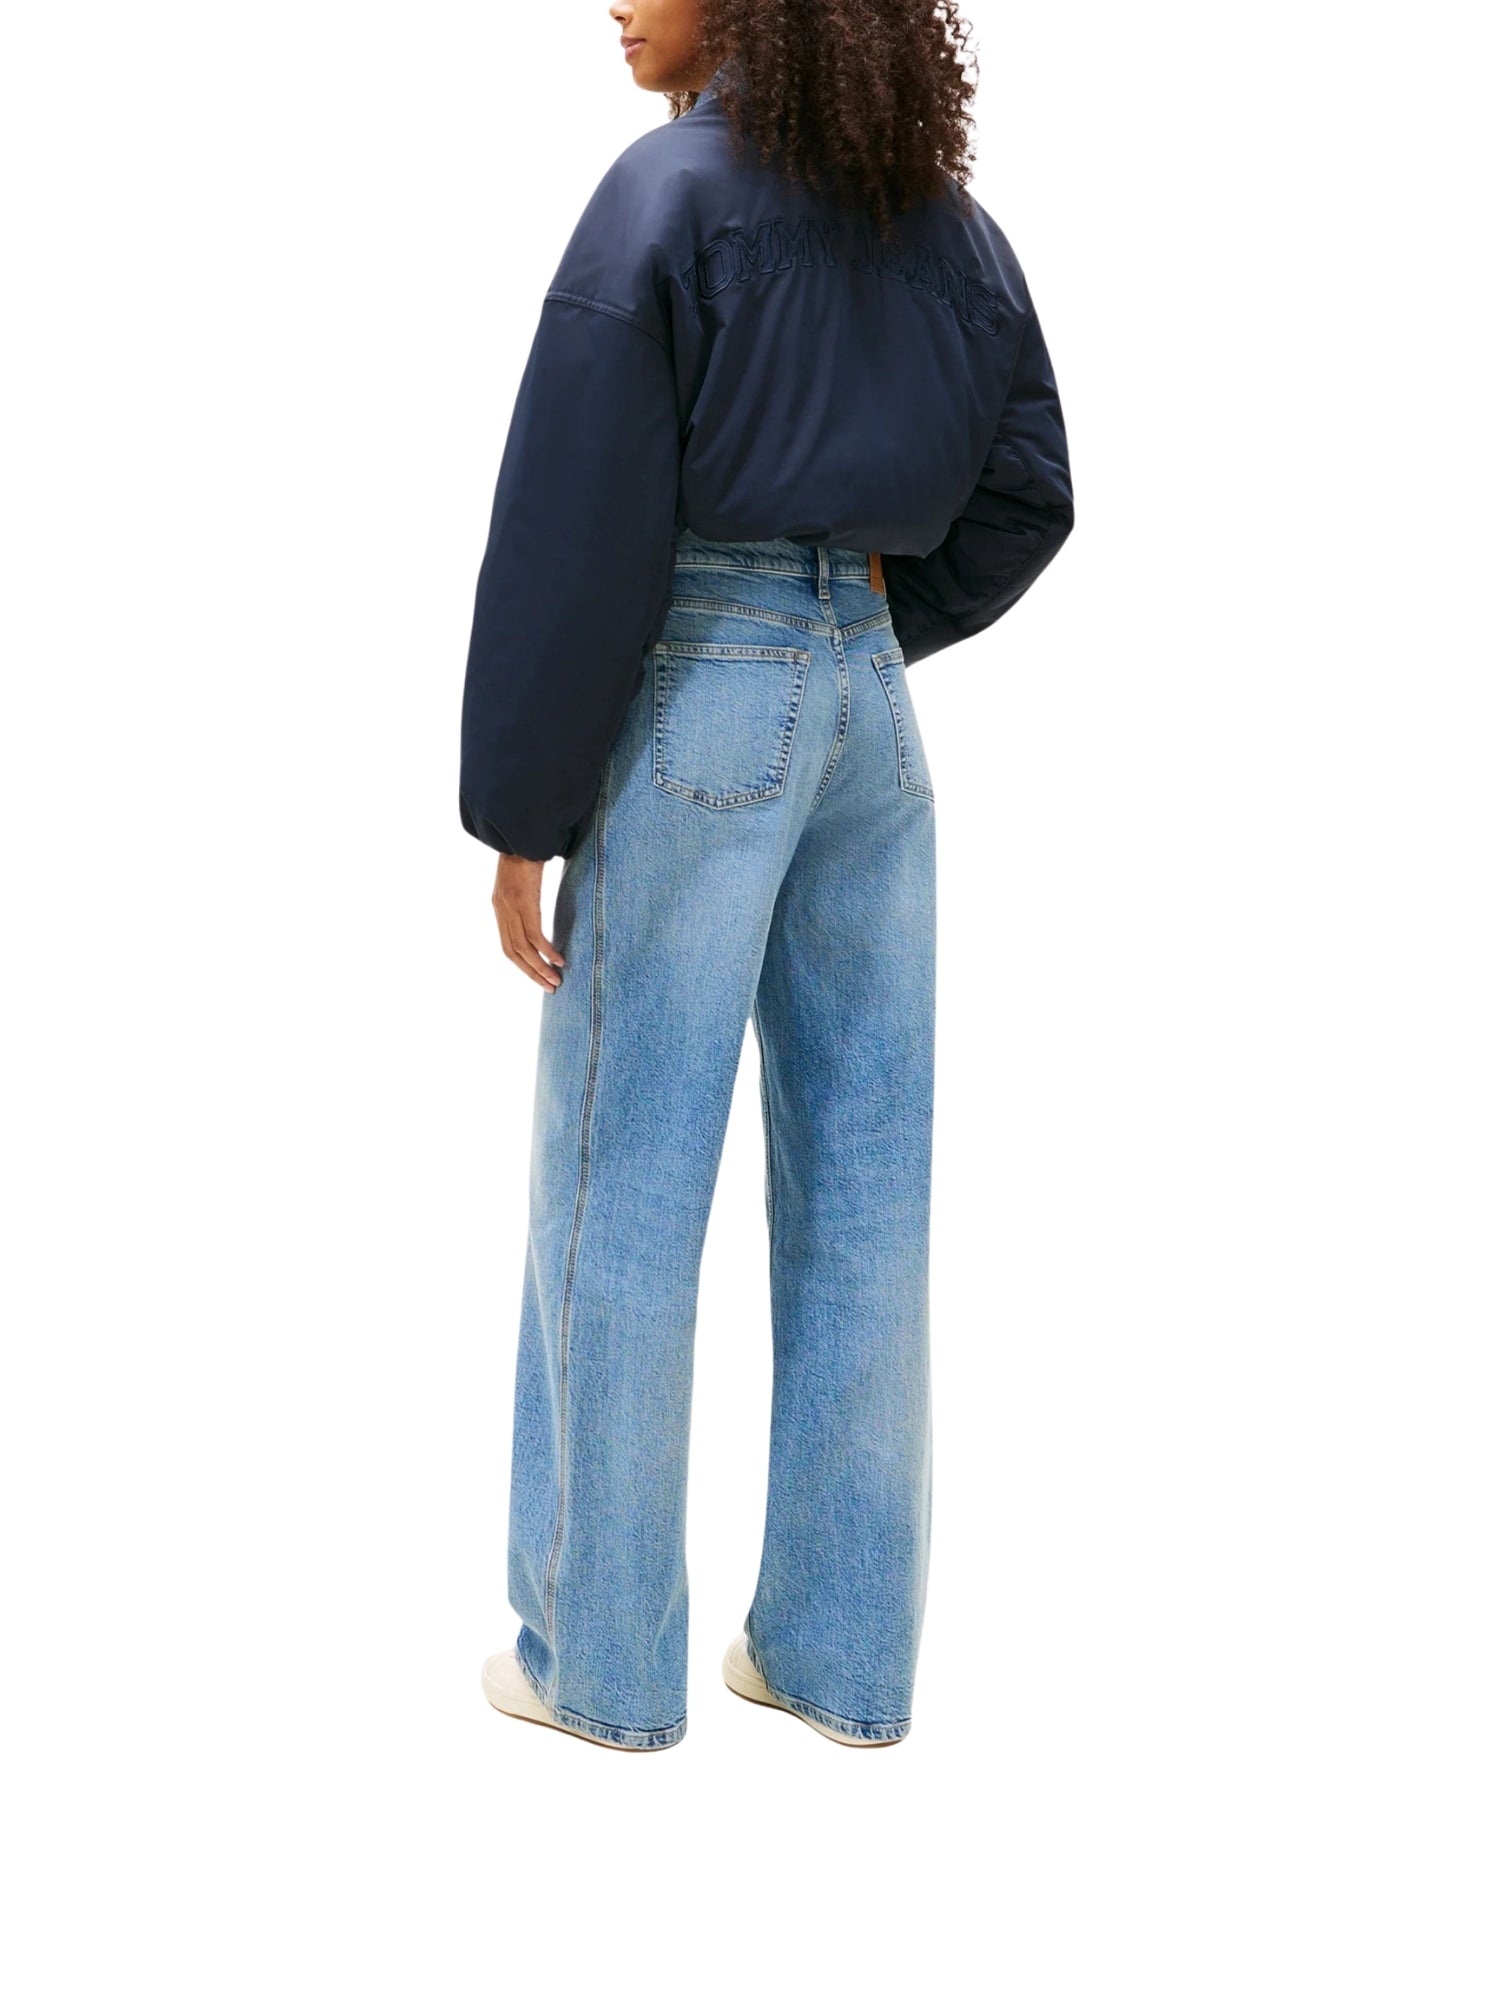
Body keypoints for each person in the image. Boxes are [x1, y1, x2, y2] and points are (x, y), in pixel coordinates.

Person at [459, 0, 1074, 1751]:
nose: (613, 0)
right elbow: (1031, 494)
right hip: (876, 720)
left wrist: (521, 804)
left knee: (624, 1179)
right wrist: (850, 635)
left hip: (703, 699)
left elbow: (577, 521)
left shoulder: (664, 196)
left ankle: (597, 1668)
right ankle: (836, 1659)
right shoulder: (953, 229)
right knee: (869, 1181)